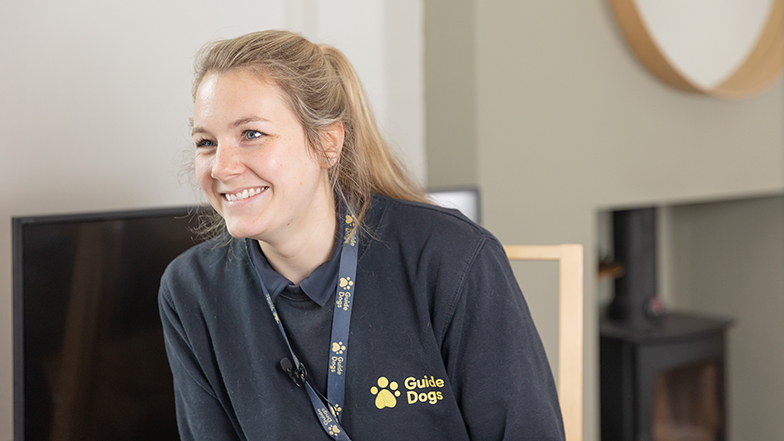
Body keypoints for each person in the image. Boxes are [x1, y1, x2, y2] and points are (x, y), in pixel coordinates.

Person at [159, 30, 565, 441]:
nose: (221, 167)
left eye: (251, 134)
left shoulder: (452, 257)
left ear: (327, 143)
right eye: (206, 142)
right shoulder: (190, 290)